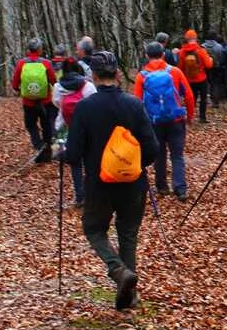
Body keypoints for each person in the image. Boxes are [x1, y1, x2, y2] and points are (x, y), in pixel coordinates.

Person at [63, 51, 159, 311]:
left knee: (94, 229)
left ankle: (118, 271)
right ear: (117, 74)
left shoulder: (85, 108)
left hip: (99, 185)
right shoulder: (134, 104)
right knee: (127, 235)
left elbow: (73, 154)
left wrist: (62, 154)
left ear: (93, 76)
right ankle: (130, 295)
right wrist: (133, 165)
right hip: (133, 184)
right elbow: (152, 149)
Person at [134, 42, 195, 201]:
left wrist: (140, 124)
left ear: (147, 56)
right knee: (177, 155)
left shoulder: (142, 76)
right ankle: (180, 189)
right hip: (176, 119)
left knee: (159, 154)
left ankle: (162, 187)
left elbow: (137, 102)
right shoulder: (175, 72)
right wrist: (190, 116)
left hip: (154, 123)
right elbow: (189, 96)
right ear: (163, 54)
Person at [52, 58, 97, 207]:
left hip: (65, 127)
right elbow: (93, 103)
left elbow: (56, 103)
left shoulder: (58, 86)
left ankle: (80, 196)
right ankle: (92, 193)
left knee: (74, 162)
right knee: (89, 160)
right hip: (87, 126)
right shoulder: (87, 86)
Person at [10, 38, 58, 162]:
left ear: (29, 49)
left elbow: (15, 81)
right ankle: (47, 151)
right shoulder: (46, 63)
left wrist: (17, 89)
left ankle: (39, 145)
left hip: (28, 102)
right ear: (39, 49)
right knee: (46, 125)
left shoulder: (21, 63)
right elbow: (53, 80)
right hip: (45, 101)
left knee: (31, 125)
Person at [177, 29, 214, 123]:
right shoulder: (201, 50)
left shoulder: (182, 52)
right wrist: (211, 59)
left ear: (186, 39)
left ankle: (190, 117)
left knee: (191, 98)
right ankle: (202, 117)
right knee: (203, 99)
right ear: (196, 38)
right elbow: (208, 65)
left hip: (189, 80)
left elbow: (180, 67)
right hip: (202, 78)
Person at [202, 32, 227, 109]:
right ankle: (215, 102)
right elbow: (221, 57)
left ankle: (208, 98)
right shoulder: (219, 46)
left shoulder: (202, 46)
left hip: (206, 68)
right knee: (216, 84)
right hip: (216, 68)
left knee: (208, 83)